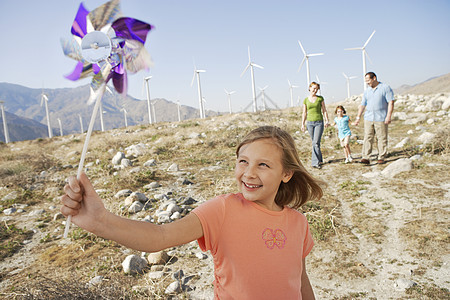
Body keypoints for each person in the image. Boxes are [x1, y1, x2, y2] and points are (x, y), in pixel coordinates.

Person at [61, 126, 323, 299]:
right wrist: (100, 221)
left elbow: (299, 279)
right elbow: (159, 236)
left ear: (287, 173)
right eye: (243, 161)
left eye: (263, 165)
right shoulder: (223, 209)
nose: (249, 173)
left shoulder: (297, 222)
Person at [353, 72, 395, 164]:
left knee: (381, 138)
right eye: (366, 81)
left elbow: (391, 102)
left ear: (374, 78)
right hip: (368, 118)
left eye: (368, 80)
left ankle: (381, 156)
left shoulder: (385, 88)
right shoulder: (367, 91)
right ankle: (366, 157)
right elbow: (363, 104)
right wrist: (358, 117)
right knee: (368, 137)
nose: (367, 83)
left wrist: (388, 116)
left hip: (381, 118)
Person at [301, 81, 330, 169]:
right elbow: (304, 112)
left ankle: (315, 163)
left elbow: (324, 110)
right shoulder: (306, 100)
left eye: (317, 89)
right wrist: (302, 123)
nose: (315, 90)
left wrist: (327, 120)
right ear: (309, 88)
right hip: (310, 123)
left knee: (315, 143)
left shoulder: (320, 98)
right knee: (315, 143)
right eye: (313, 88)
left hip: (319, 122)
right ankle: (320, 159)